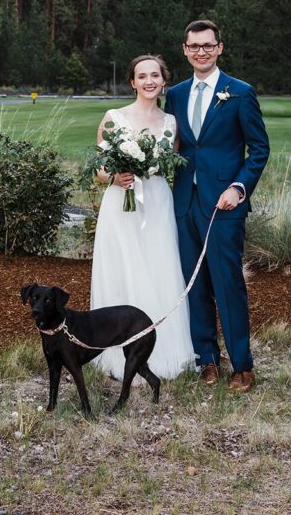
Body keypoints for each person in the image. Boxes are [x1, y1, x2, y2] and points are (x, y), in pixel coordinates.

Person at [164, 20, 269, 392]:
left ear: (220, 48)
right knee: (194, 285)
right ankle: (207, 359)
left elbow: (259, 149)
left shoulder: (239, 93)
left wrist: (239, 188)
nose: (201, 52)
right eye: (194, 46)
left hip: (224, 206)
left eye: (208, 46)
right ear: (185, 50)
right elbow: (175, 146)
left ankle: (243, 365)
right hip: (184, 204)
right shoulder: (175, 94)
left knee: (227, 284)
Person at [90, 54, 196, 380]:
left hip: (158, 203)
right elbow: (98, 170)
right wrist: (115, 177)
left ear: (164, 81)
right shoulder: (113, 117)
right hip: (121, 204)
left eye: (155, 75)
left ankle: (165, 352)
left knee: (159, 268)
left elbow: (172, 164)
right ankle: (118, 353)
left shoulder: (171, 123)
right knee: (124, 270)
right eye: (142, 76)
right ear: (132, 82)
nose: (149, 81)